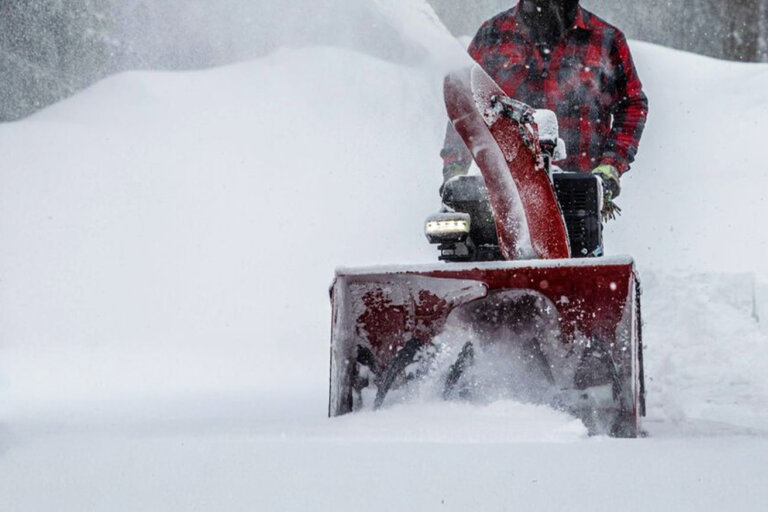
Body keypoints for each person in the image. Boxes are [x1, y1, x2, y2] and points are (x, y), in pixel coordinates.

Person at [441, 0, 648, 217]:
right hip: (501, 195)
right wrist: (454, 171)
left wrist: (610, 167)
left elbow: (632, 105)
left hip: (577, 197)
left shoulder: (605, 41)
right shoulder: (492, 36)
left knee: (577, 247)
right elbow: (465, 106)